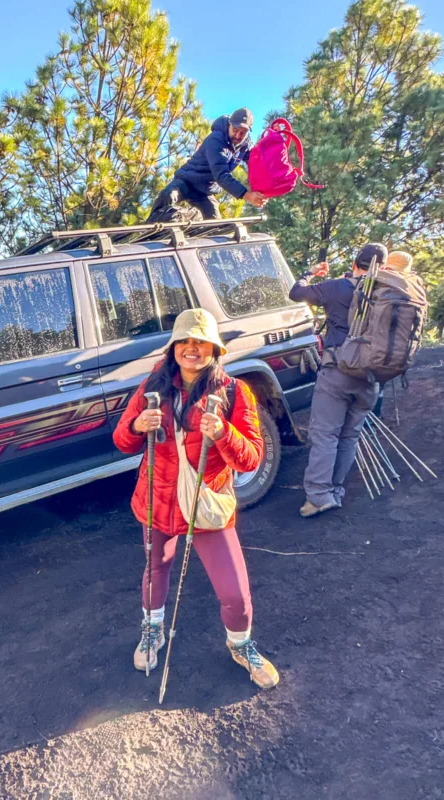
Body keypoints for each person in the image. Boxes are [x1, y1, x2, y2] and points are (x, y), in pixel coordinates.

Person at [113, 308, 279, 689]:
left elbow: (252, 458)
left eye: (201, 342)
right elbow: (121, 440)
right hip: (156, 499)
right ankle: (153, 630)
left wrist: (223, 433)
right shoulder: (152, 387)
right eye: (184, 341)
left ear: (214, 349)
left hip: (205, 504)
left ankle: (241, 645)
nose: (192, 349)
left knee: (235, 592)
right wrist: (137, 425)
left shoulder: (234, 392)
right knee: (156, 568)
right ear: (173, 347)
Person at [288, 242, 388, 517]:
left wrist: (309, 273)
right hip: (370, 377)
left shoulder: (338, 287)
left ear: (355, 263)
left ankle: (318, 496)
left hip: (338, 371)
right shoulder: (388, 293)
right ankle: (334, 491)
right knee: (349, 435)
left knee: (325, 434)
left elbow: (296, 293)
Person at [147, 108, 266, 222]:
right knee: (168, 195)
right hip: (187, 182)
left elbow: (257, 167)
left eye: (243, 133)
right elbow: (221, 175)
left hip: (205, 191)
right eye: (235, 130)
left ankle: (192, 222)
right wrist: (246, 195)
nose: (238, 136)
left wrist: (264, 191)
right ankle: (151, 225)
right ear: (229, 125)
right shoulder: (216, 140)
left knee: (214, 223)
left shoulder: (245, 146)